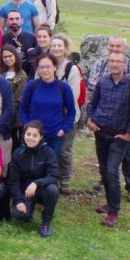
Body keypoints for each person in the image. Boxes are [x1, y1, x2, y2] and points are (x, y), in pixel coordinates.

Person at [87, 52, 130, 228]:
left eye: (118, 61)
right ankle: (110, 203)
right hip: (101, 132)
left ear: (125, 65)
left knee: (112, 172)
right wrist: (90, 120)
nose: (114, 64)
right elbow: (93, 103)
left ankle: (114, 212)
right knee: (104, 171)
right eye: (111, 61)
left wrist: (129, 133)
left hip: (120, 136)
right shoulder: (103, 81)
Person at [8, 121, 60, 237]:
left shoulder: (48, 152)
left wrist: (36, 183)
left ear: (41, 137)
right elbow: (13, 180)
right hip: (25, 191)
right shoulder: (17, 153)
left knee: (53, 190)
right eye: (28, 134)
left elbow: (54, 175)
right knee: (20, 215)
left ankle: (46, 221)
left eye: (35, 135)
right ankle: (28, 210)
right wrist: (18, 200)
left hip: (42, 188)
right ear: (24, 135)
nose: (31, 138)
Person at [49, 34, 85, 193]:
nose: (56, 48)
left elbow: (74, 95)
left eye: (59, 45)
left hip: (67, 116)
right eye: (53, 45)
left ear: (65, 48)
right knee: (50, 148)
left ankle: (65, 180)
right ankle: (51, 177)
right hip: (49, 116)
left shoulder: (72, 69)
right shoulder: (44, 65)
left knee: (64, 150)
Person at [0, 45, 29, 150]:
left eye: (10, 56)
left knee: (14, 142)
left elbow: (18, 98)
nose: (7, 59)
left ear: (15, 56)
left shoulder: (22, 76)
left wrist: (6, 111)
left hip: (14, 116)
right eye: (4, 57)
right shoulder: (0, 72)